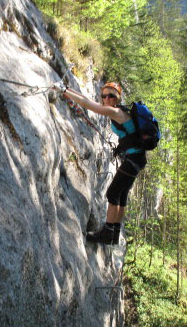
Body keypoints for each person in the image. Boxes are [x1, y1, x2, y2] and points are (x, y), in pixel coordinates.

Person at [58, 81, 147, 244]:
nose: (107, 98)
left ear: (117, 98)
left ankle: (108, 232)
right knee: (121, 195)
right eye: (104, 95)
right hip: (135, 158)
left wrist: (64, 90)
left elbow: (87, 104)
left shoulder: (115, 111)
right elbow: (85, 99)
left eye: (111, 96)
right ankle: (114, 233)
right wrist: (68, 91)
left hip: (133, 159)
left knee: (113, 194)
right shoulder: (119, 111)